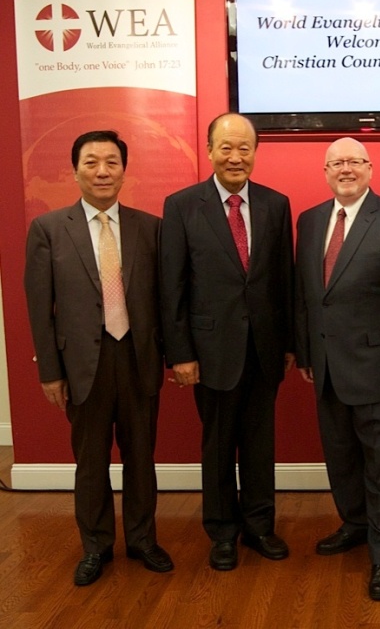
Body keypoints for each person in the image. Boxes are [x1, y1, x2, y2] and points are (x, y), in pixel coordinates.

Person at [24, 130, 173, 586]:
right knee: (90, 461)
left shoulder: (151, 227)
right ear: (75, 171)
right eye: (91, 162)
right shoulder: (48, 229)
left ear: (125, 171)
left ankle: (143, 540)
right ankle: (96, 546)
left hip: (137, 358)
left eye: (111, 162)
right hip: (81, 365)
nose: (102, 170)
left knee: (141, 458)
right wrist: (50, 371)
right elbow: (38, 306)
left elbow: (166, 300)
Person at [160, 113, 295, 571]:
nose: (236, 157)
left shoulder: (277, 205)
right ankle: (221, 531)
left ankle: (259, 526)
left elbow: (285, 281)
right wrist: (180, 353)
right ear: (210, 149)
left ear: (256, 152)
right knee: (217, 445)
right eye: (226, 148)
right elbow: (172, 286)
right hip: (210, 350)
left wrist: (289, 344)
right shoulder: (181, 205)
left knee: (260, 444)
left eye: (245, 148)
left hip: (264, 349)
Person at [295, 137, 380, 601]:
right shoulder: (310, 221)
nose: (345, 169)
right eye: (337, 163)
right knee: (342, 460)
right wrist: (308, 354)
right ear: (325, 171)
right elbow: (307, 295)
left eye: (354, 161)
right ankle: (355, 524)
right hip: (327, 370)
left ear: (370, 168)